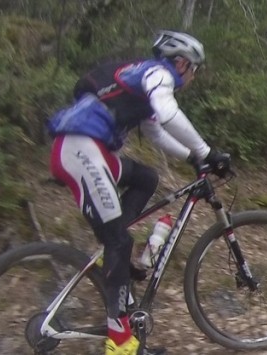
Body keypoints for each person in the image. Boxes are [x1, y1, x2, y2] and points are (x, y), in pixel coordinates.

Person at [46, 30, 229, 355]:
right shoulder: (159, 74)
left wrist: (193, 157)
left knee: (146, 178)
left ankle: (114, 250)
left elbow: (156, 132)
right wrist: (208, 151)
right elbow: (169, 113)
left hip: (89, 150)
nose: (194, 76)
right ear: (182, 63)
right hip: (80, 150)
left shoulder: (141, 79)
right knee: (119, 241)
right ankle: (120, 345)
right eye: (195, 69)